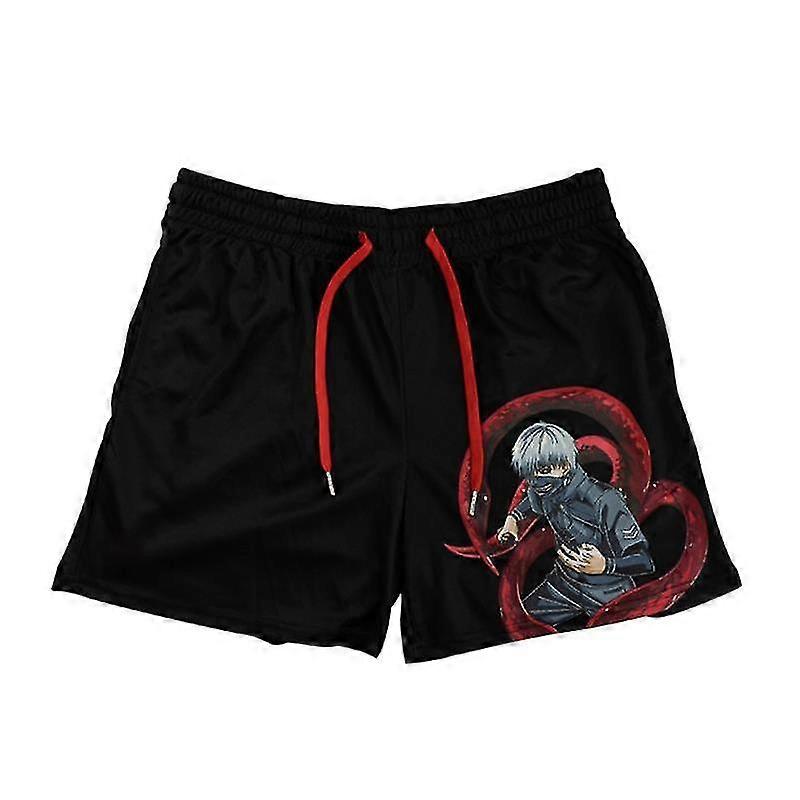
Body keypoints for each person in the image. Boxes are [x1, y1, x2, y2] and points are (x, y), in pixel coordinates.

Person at [498, 422, 655, 627]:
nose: (537, 481)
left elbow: (644, 561)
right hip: (562, 585)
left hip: (610, 593)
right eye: (530, 473)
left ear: (565, 465)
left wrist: (605, 565)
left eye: (544, 470)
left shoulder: (604, 500)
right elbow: (531, 499)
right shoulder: (545, 489)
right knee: (518, 624)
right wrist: (513, 519)